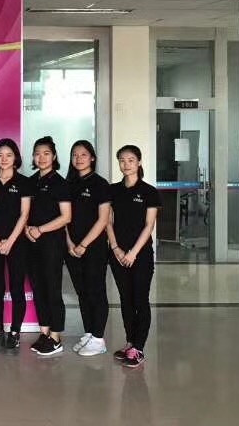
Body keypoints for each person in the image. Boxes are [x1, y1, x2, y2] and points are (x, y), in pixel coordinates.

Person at [107, 144, 161, 369]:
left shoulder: (149, 192)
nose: (126, 164)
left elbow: (149, 225)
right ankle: (130, 342)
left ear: (138, 162)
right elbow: (108, 221)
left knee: (140, 299)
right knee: (125, 300)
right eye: (122, 160)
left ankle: (138, 348)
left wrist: (133, 253)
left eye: (130, 160)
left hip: (141, 255)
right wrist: (116, 249)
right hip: (117, 254)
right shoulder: (113, 190)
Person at [0, 138, 32, 353]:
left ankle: (14, 332)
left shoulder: (24, 182)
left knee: (17, 288)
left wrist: (10, 241)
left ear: (15, 158)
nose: (4, 159)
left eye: (9, 155)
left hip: (17, 243)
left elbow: (24, 214)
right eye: (0, 155)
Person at [25, 136, 72, 356]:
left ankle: (55, 336)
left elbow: (66, 217)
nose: (41, 158)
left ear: (54, 156)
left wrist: (40, 229)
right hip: (32, 243)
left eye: (46, 153)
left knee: (52, 289)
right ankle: (44, 333)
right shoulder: (30, 182)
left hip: (52, 244)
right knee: (38, 288)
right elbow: (25, 212)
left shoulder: (60, 183)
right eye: (37, 153)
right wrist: (27, 229)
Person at [65, 140, 111, 357]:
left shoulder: (100, 184)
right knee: (82, 291)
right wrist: (70, 243)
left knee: (96, 291)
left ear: (92, 158)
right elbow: (64, 218)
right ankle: (90, 332)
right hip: (71, 248)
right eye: (75, 155)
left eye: (83, 154)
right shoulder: (68, 184)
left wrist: (83, 244)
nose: (79, 158)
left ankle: (99, 338)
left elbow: (103, 219)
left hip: (94, 247)